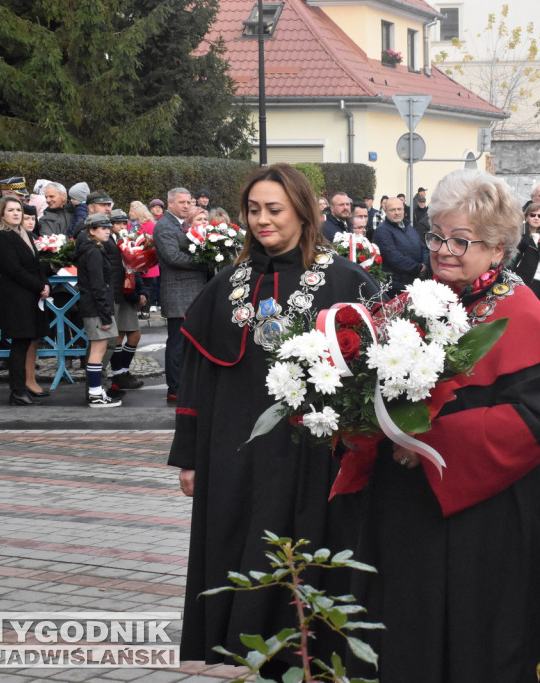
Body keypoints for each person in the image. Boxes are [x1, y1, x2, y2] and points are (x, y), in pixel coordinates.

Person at [335, 167, 540, 682]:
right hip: (406, 510)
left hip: (486, 521)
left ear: (498, 247)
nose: (443, 250)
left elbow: (529, 424)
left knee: (477, 638)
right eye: (437, 236)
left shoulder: (528, 318)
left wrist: (424, 442)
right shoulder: (417, 299)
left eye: (460, 240)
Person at [167, 163, 378, 676]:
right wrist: (189, 459)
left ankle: (315, 661)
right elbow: (195, 385)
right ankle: (253, 656)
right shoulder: (225, 285)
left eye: (274, 210)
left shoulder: (346, 280)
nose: (262, 220)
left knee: (311, 555)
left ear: (304, 213)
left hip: (313, 460)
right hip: (234, 456)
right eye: (254, 210)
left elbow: (373, 381)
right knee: (243, 550)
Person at [0, 196, 51, 406]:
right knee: (19, 344)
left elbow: (36, 264)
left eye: (18, 210)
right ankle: (17, 391)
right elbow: (13, 269)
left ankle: (22, 387)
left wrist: (44, 284)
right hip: (16, 298)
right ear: (2, 214)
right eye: (11, 210)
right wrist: (38, 285)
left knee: (26, 342)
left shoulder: (24, 233)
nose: (16, 213)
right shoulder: (3, 237)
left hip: (30, 296)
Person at [153, 187, 205, 404]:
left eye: (189, 202)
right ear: (170, 203)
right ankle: (174, 388)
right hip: (178, 293)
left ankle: (184, 384)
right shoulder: (165, 226)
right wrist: (205, 260)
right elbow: (173, 257)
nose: (187, 206)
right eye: (182, 202)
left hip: (190, 292)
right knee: (177, 343)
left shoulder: (180, 224)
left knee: (187, 343)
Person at [74, 213, 122, 407]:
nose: (107, 231)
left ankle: (97, 391)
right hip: (95, 308)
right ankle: (95, 393)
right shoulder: (92, 251)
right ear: (91, 230)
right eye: (103, 228)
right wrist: (105, 314)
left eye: (108, 228)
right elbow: (98, 285)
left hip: (94, 306)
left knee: (99, 348)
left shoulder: (92, 249)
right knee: (98, 349)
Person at [108, 210, 147, 392]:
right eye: (118, 224)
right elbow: (118, 273)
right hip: (119, 293)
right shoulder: (110, 243)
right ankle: (118, 374)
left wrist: (142, 290)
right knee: (119, 335)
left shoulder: (128, 241)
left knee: (134, 335)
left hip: (129, 293)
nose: (122, 227)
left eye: (124, 223)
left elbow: (134, 269)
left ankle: (123, 371)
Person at [374, 196, 428, 297]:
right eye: (392, 210)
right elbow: (394, 258)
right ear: (385, 211)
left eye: (399, 209)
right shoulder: (382, 231)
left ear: (404, 209)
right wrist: (419, 268)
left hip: (415, 283)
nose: (397, 212)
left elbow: (423, 247)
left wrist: (425, 264)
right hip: (397, 287)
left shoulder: (409, 227)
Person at [129, 200, 159, 319]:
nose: (129, 213)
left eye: (131, 210)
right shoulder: (132, 225)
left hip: (148, 260)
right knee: (138, 285)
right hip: (137, 261)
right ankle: (139, 308)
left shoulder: (149, 225)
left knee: (148, 286)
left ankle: (146, 310)